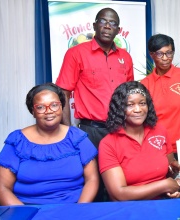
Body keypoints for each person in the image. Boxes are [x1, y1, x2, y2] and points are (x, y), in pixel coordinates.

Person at [55, 8, 134, 201]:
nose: (108, 26)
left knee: (121, 181)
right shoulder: (76, 53)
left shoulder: (126, 57)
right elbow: (63, 93)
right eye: (103, 21)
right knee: (94, 183)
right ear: (94, 25)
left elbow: (130, 94)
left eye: (113, 23)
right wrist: (67, 131)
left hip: (121, 128)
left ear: (118, 29)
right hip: (91, 131)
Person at [0, 83, 99, 205]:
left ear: (61, 107)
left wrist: (79, 210)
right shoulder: (17, 140)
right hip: (28, 212)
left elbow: (92, 179)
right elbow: (2, 187)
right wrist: (25, 215)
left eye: (54, 105)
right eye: (40, 107)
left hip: (74, 209)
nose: (49, 111)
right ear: (33, 111)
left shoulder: (78, 137)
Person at [98, 81, 180, 201]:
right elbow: (119, 194)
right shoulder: (108, 144)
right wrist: (163, 186)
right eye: (130, 105)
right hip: (129, 209)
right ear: (120, 109)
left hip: (163, 203)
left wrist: (174, 182)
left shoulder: (160, 131)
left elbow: (170, 173)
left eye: (142, 103)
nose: (138, 109)